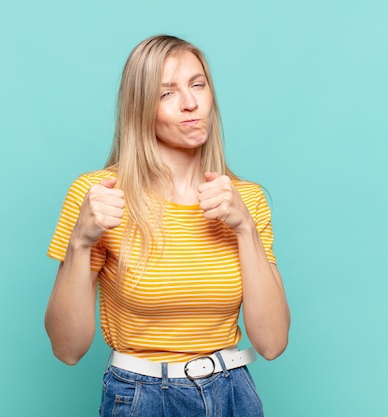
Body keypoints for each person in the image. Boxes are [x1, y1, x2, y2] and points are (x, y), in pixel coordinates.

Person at [45, 34, 290, 417]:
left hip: (234, 394)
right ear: (140, 109)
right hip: (142, 398)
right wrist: (79, 243)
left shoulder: (246, 199)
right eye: (167, 93)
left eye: (197, 84)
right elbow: (67, 349)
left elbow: (273, 343)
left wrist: (245, 228)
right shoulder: (100, 196)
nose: (191, 103)